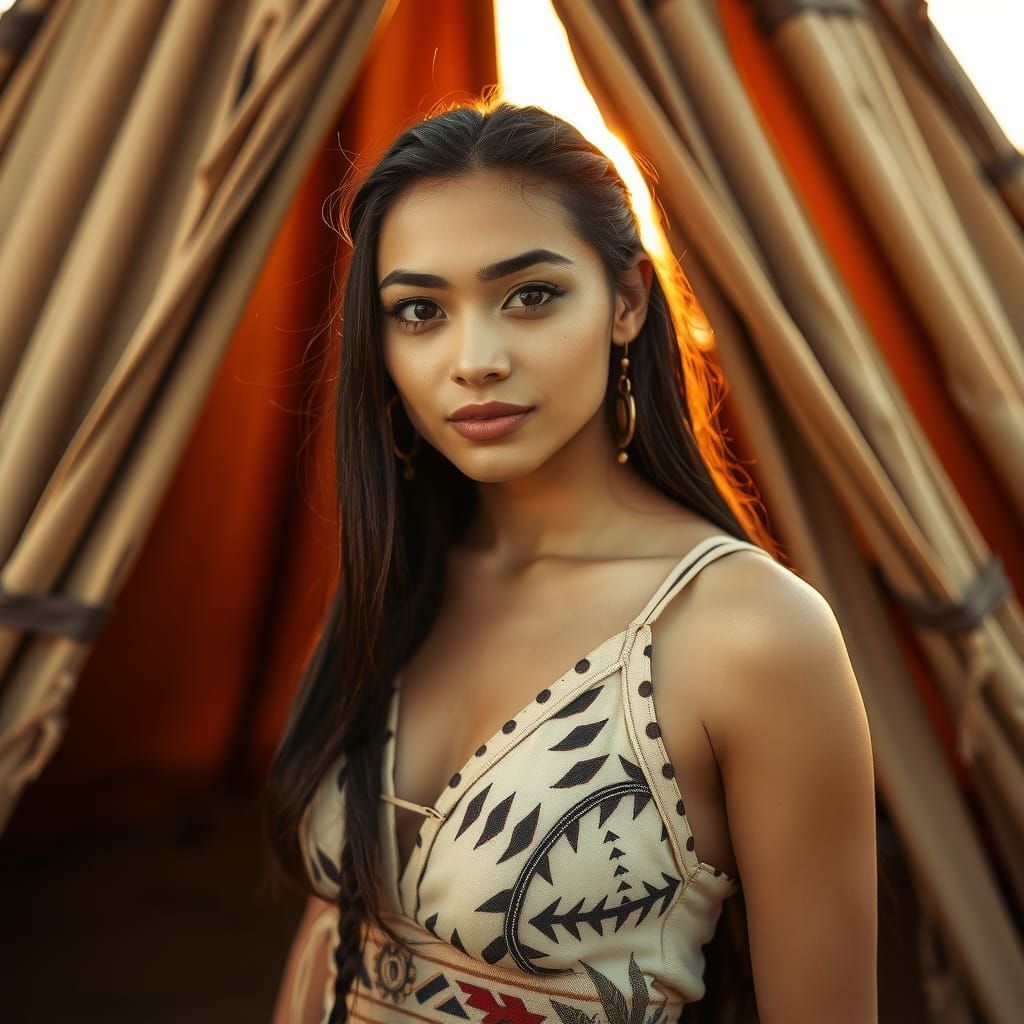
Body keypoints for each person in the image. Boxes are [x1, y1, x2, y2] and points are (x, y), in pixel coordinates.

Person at [264, 99, 877, 1024]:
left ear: (626, 301)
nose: (475, 359)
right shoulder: (397, 581)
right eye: (421, 310)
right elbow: (330, 930)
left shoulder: (750, 635)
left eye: (530, 295)